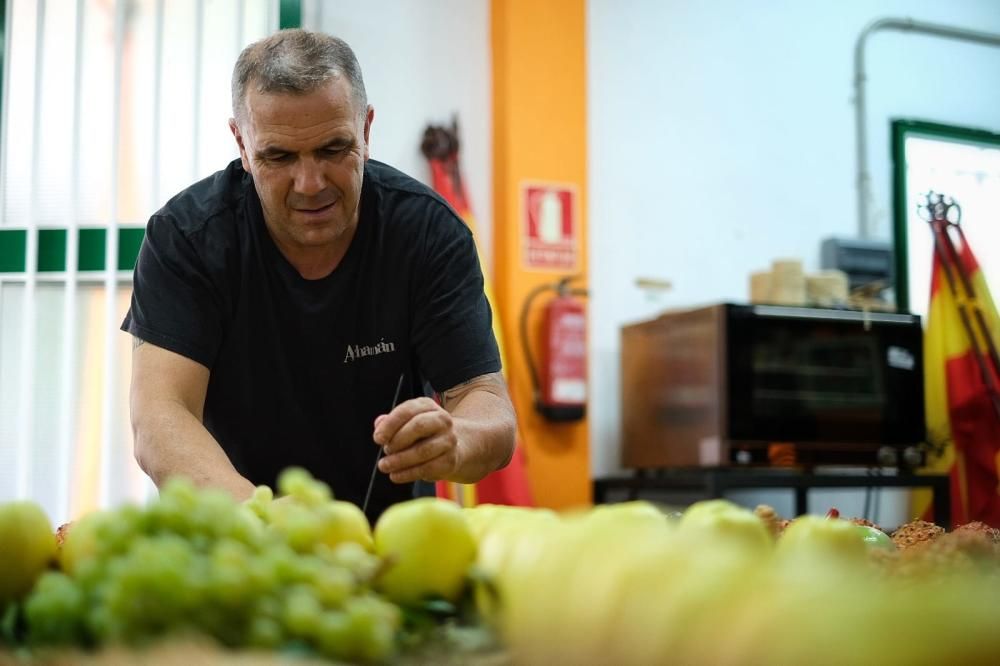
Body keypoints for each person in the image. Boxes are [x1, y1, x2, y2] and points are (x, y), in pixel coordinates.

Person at [122, 29, 516, 519]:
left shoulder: (428, 234)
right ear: (242, 145)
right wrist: (262, 519)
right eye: (279, 157)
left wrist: (458, 439)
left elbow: (488, 405)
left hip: (389, 550)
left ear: (366, 130)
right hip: (238, 535)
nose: (310, 184)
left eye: (333, 149)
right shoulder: (187, 240)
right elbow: (160, 417)